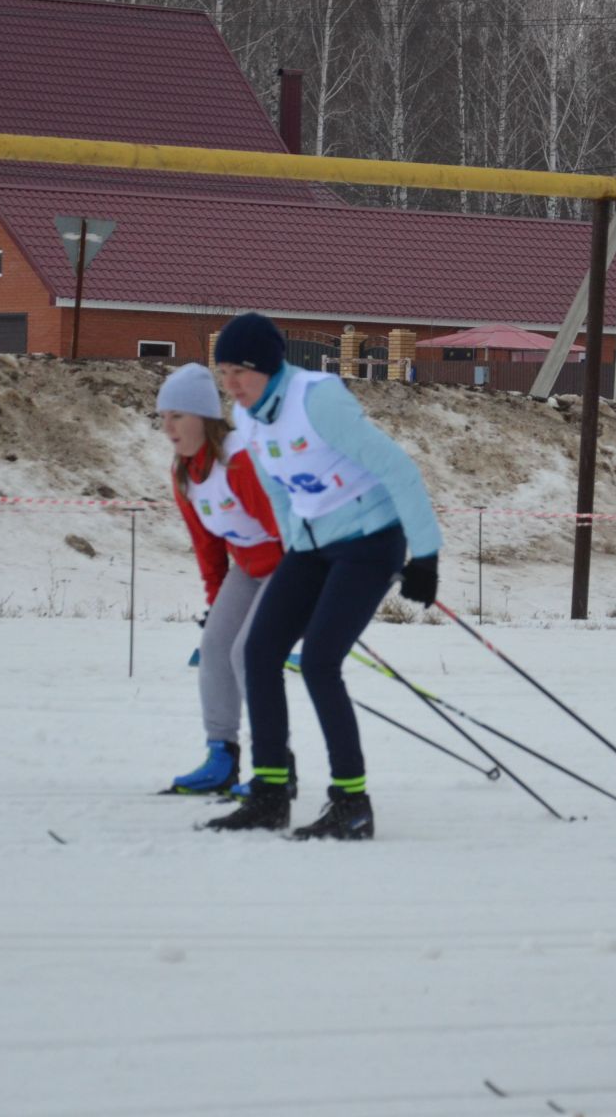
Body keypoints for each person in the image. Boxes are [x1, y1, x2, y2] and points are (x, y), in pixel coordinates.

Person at [202, 313, 442, 841]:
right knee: (258, 652)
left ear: (266, 367)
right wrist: (294, 557)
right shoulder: (247, 419)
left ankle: (351, 803)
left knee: (318, 663)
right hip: (313, 545)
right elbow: (280, 491)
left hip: (370, 542)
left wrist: (424, 557)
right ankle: (269, 794)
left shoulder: (317, 400)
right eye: (223, 373)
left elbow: (399, 469)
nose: (231, 384)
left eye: (239, 371)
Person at [156, 363, 284, 796]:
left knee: (248, 652)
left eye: (177, 416)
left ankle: (276, 767)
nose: (168, 426)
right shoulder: (184, 476)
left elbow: (286, 529)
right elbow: (208, 551)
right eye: (163, 416)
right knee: (214, 646)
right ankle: (221, 756)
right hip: (247, 569)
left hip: (288, 565)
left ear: (204, 418)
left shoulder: (239, 461)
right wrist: (215, 606)